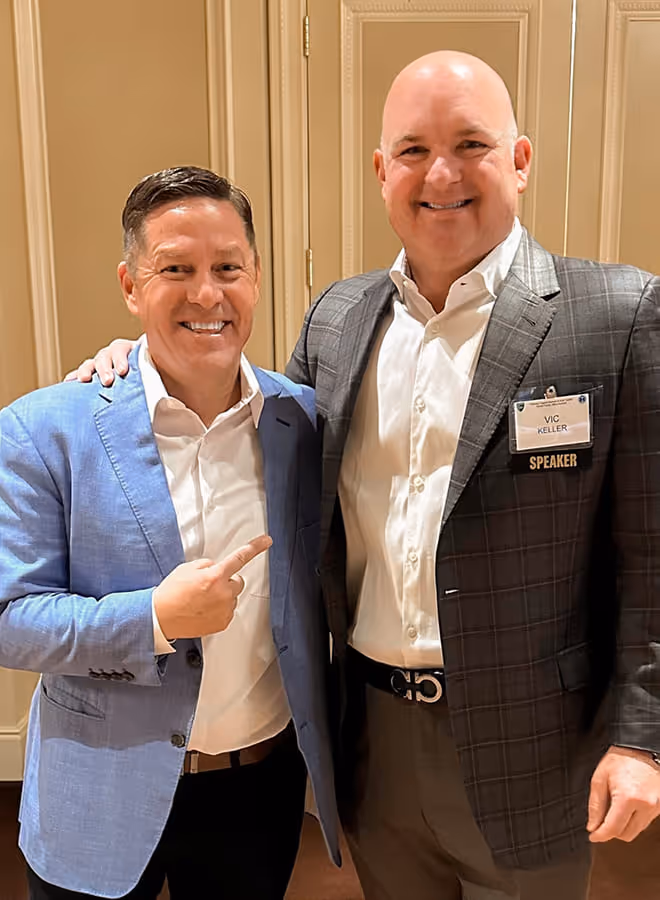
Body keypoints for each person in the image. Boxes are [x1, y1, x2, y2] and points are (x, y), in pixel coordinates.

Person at [71, 53, 660, 900]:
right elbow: (246, 430)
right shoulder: (338, 319)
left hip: (535, 740)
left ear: (521, 161)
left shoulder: (618, 314)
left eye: (471, 144)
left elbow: (650, 550)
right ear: (383, 172)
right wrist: (143, 363)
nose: (442, 174)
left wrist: (641, 740)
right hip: (372, 737)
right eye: (414, 150)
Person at [0, 166, 339, 900]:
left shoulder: (304, 422)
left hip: (256, 790)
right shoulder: (43, 428)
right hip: (95, 790)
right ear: (130, 285)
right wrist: (153, 618)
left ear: (257, 276)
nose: (207, 294)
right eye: (175, 269)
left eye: (228, 268)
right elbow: (7, 619)